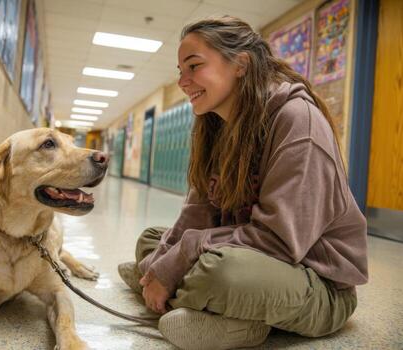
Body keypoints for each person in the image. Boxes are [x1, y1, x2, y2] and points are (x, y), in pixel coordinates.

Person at [118, 15, 368, 350]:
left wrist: (180, 257)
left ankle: (234, 321)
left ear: (240, 64)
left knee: (218, 272)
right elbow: (195, 216)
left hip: (313, 280)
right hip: (248, 254)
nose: (183, 81)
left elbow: (278, 241)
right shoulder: (215, 126)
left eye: (193, 66)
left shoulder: (297, 121)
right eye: (181, 71)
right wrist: (163, 263)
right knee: (152, 240)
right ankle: (208, 308)